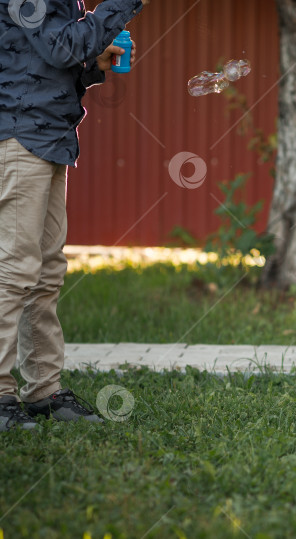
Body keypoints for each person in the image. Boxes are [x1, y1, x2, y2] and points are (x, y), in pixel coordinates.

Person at [0, 0, 150, 432]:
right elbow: (61, 47)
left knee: (46, 272)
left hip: (50, 138)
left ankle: (43, 391)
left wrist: (95, 64)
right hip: (19, 136)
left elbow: (50, 62)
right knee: (13, 271)